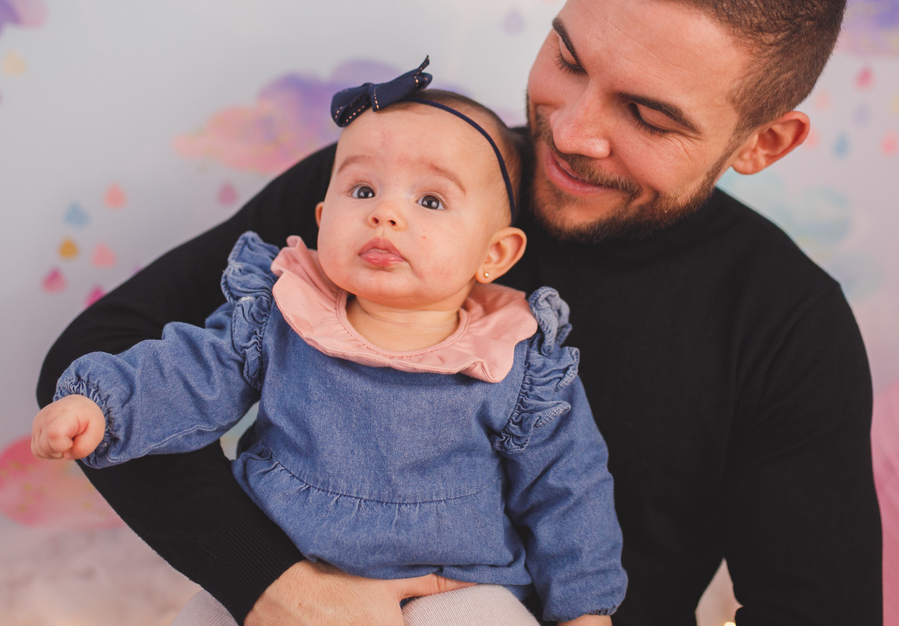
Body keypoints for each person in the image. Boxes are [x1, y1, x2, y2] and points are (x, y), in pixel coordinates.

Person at [38, 0, 883, 625]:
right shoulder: (392, 191)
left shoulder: (786, 326)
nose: (575, 130)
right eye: (568, 57)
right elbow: (97, 356)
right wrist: (274, 588)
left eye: (648, 115)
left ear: (763, 144)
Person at [31, 77, 628, 626]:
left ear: (494, 255)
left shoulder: (516, 360)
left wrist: (586, 610)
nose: (385, 213)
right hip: (284, 573)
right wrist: (101, 405)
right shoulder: (282, 315)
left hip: (451, 586)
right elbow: (189, 372)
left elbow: (567, 487)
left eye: (432, 201)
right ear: (322, 220)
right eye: (363, 189)